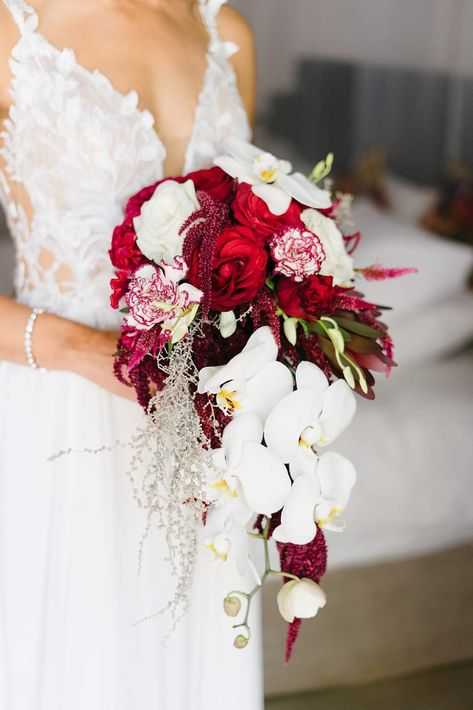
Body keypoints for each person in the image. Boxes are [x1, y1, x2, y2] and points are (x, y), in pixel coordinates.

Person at [0, 1, 263, 708]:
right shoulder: (11, 30)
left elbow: (251, 233)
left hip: (197, 434)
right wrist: (89, 352)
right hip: (55, 423)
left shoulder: (225, 33)